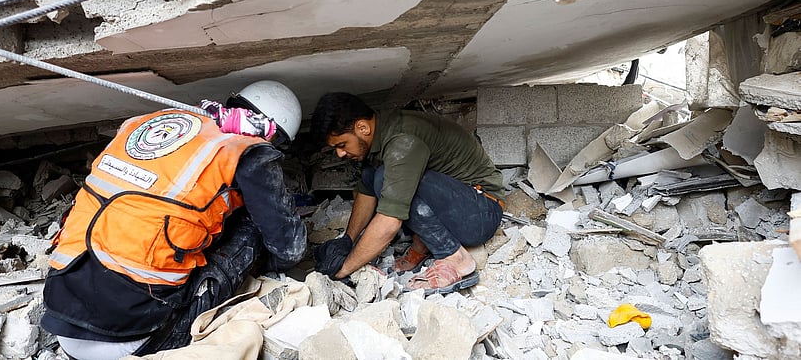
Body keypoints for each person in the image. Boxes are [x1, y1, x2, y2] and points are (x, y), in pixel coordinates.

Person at [41, 80, 307, 359]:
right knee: (252, 224)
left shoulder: (147, 122)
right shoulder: (248, 149)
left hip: (63, 311)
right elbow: (289, 247)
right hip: (133, 337)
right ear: (275, 135)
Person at [310, 92, 505, 295]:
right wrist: (348, 240)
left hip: (481, 212)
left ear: (362, 127)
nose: (340, 154)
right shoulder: (380, 131)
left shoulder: (402, 142)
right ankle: (422, 247)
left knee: (387, 179)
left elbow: (389, 221)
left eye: (342, 145)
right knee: (372, 175)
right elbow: (366, 191)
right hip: (458, 204)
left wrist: (344, 269)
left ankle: (455, 257)